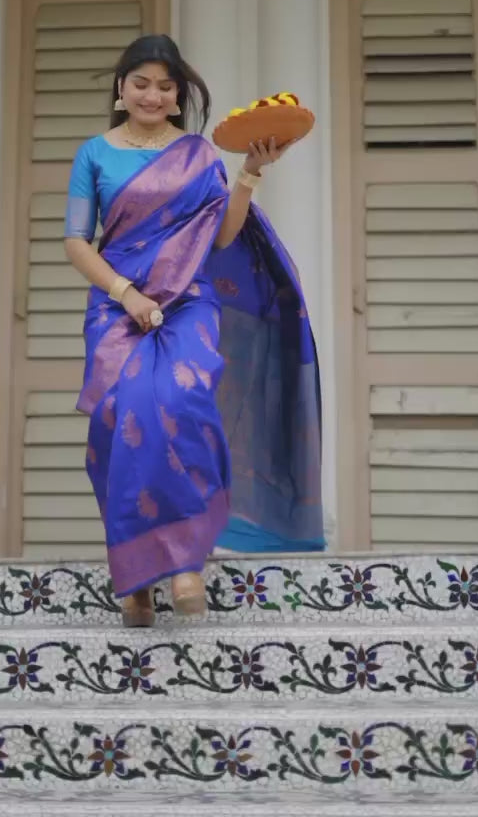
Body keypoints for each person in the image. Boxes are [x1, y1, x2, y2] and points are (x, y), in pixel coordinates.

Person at [64, 34, 323, 627]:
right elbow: (77, 242)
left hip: (187, 302)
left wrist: (249, 172)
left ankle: (184, 564)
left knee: (182, 402)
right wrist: (127, 294)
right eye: (141, 83)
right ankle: (136, 579)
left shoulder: (199, 156)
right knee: (122, 418)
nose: (152, 95)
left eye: (165, 86)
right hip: (116, 305)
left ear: (178, 96)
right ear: (121, 89)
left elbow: (222, 236)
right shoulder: (94, 154)